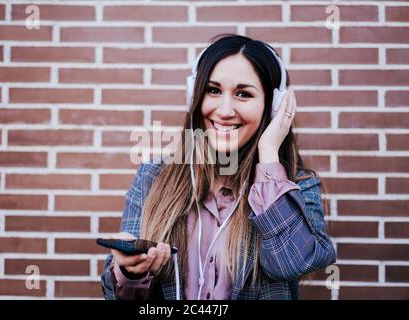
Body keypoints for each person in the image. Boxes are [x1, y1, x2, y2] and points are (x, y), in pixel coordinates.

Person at [101, 34, 336, 300]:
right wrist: (131, 273)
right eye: (213, 90)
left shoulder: (299, 185)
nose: (225, 110)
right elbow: (118, 297)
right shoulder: (153, 176)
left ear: (273, 107)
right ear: (194, 95)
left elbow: (292, 263)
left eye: (243, 94)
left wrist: (269, 153)